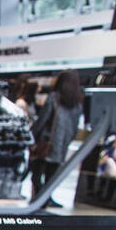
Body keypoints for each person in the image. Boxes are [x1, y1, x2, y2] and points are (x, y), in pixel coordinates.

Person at [31, 70, 84, 203]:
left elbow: (43, 119)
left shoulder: (54, 97)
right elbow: (75, 126)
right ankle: (46, 198)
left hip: (47, 141)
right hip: (62, 145)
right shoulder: (77, 102)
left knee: (36, 173)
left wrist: (32, 135)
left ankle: (39, 198)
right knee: (51, 175)